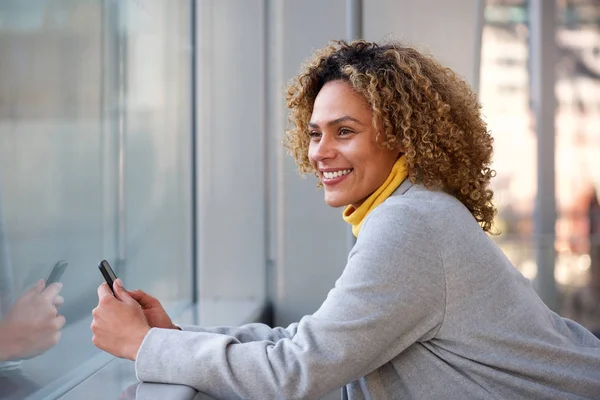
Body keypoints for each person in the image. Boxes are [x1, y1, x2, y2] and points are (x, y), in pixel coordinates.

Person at [91, 40, 600, 399]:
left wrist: (145, 345)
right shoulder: (411, 212)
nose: (321, 152)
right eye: (315, 134)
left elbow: (295, 374)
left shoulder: (410, 225)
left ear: (400, 136)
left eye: (345, 131)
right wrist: (175, 335)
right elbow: (312, 343)